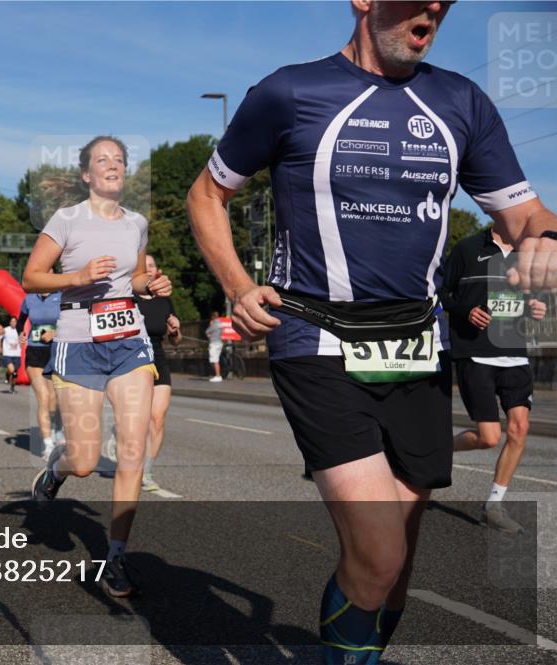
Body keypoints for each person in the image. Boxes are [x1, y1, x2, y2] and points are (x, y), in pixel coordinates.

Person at [186, 1, 555, 660]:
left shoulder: (460, 101)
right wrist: (240, 287)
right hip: (316, 337)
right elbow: (206, 194)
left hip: (419, 343)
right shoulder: (290, 92)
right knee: (381, 550)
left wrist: (546, 238)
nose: (436, 6)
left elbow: (524, 210)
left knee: (396, 565)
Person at [25, 135, 172, 598]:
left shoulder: (136, 223)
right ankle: (56, 471)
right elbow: (31, 277)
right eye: (102, 160)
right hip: (79, 342)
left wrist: (151, 284)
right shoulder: (66, 220)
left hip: (129, 341)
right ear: (87, 174)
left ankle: (115, 556)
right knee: (86, 461)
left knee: (132, 449)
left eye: (119, 160)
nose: (112, 166)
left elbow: (133, 278)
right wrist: (77, 277)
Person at [442, 226, 548, 533]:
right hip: (476, 353)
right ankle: (440, 451)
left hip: (514, 352)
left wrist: (536, 307)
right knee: (488, 437)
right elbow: (442, 293)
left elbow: (530, 299)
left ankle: (493, 505)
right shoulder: (467, 248)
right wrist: (466, 311)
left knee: (520, 428)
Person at [136, 255, 182, 492]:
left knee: (157, 417)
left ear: (158, 270)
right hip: (132, 362)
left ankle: (147, 471)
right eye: (144, 266)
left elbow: (175, 341)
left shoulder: (164, 300)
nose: (148, 269)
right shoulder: (127, 298)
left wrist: (175, 329)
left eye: (152, 265)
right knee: (137, 420)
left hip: (158, 360)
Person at [17, 289, 63, 458]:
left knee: (54, 398)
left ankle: (57, 430)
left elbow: (73, 322)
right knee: (43, 397)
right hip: (35, 352)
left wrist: (56, 333)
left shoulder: (62, 296)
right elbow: (21, 321)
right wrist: (20, 333)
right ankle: (48, 444)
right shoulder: (29, 299)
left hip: (55, 351)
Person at [0, 317, 24, 394]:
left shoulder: (19, 330)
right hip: (7, 353)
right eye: (12, 321)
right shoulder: (6, 330)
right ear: (9, 323)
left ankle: (12, 387)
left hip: (17, 354)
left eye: (15, 321)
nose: (13, 323)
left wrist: (22, 340)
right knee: (12, 370)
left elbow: (23, 339)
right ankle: (7, 374)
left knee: (15, 373)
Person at [206, 311, 224, 382]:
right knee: (216, 359)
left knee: (214, 360)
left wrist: (210, 324)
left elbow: (207, 331)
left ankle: (218, 375)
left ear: (213, 317)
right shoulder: (220, 323)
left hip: (214, 343)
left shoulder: (214, 324)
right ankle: (218, 375)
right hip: (219, 342)